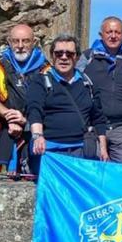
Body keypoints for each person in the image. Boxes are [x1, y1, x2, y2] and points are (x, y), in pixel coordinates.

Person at [0, 23, 47, 179]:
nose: (20, 46)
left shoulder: (45, 67)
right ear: (9, 42)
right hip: (3, 118)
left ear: (34, 42)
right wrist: (9, 115)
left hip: (32, 121)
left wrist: (25, 121)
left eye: (25, 41)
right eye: (16, 41)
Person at [26, 34, 108, 172]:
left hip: (81, 152)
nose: (64, 57)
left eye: (69, 54)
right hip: (49, 151)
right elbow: (34, 110)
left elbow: (98, 118)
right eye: (59, 53)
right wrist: (37, 136)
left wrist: (103, 149)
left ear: (77, 57)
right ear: (52, 56)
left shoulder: (88, 84)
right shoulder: (40, 81)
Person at [76, 16, 122, 164]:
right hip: (92, 127)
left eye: (117, 32)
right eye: (109, 32)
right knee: (95, 172)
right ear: (101, 34)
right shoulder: (87, 58)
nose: (113, 36)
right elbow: (75, 87)